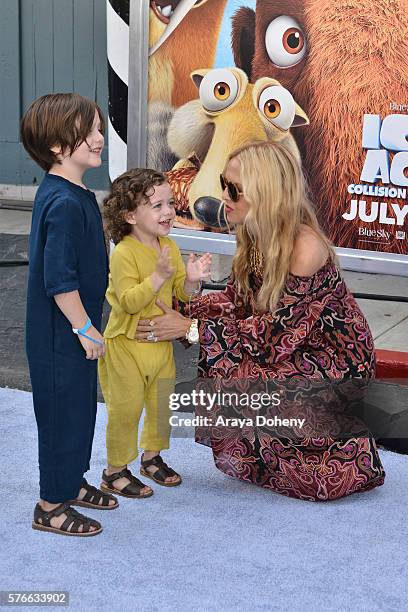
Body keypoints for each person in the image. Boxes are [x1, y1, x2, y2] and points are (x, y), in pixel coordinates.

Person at [135, 141, 386, 502]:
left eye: (233, 188)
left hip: (335, 361)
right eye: (224, 182)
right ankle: (267, 455)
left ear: (264, 193)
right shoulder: (255, 233)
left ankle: (350, 451)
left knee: (248, 374)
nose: (223, 195)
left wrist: (189, 328)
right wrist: (182, 306)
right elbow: (238, 305)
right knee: (235, 362)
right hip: (289, 347)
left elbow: (271, 338)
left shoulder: (305, 247)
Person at [21, 93, 118, 537]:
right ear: (59, 146)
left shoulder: (74, 192)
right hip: (60, 336)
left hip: (75, 333)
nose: (100, 138)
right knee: (62, 413)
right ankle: (50, 504)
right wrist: (84, 328)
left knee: (81, 409)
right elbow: (59, 280)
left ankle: (71, 482)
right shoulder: (61, 202)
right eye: (91, 132)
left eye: (99, 129)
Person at [98, 168, 211, 498]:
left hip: (160, 344)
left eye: (170, 203)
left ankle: (151, 457)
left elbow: (183, 297)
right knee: (126, 410)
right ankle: (114, 471)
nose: (168, 212)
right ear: (130, 215)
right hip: (126, 346)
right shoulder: (123, 253)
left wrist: (192, 279)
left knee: (162, 405)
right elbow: (130, 302)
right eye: (157, 206)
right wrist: (158, 278)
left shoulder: (170, 248)